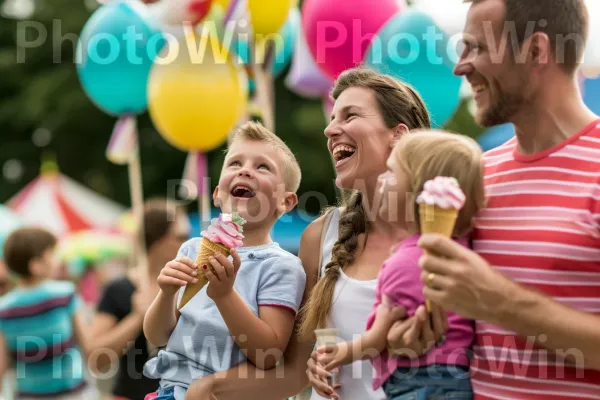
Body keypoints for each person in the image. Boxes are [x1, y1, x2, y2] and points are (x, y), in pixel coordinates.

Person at [184, 68, 448, 400]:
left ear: (398, 135)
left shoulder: (447, 232)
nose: (329, 129)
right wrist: (208, 388)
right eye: (333, 116)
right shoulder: (320, 236)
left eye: (350, 115)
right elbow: (292, 374)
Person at [417, 0, 600, 398]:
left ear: (536, 51)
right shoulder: (478, 174)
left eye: (477, 48)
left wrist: (500, 303)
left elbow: (494, 302)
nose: (460, 66)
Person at [313, 130, 485, 399]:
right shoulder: (462, 251)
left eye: (391, 171)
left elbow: (380, 335)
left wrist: (343, 352)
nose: (382, 177)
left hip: (417, 384)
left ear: (416, 191)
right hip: (459, 380)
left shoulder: (403, 263)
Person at [142, 121, 306, 400]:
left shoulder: (281, 266)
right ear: (217, 194)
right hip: (168, 390)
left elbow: (267, 354)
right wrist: (166, 294)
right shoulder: (192, 249)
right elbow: (157, 337)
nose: (245, 170)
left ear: (286, 202)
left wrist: (224, 295)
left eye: (262, 167)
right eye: (235, 163)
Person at [89, 198, 191, 400]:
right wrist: (136, 318)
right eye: (181, 236)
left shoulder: (194, 287)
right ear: (157, 240)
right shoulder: (119, 289)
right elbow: (96, 360)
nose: (189, 242)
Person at [0, 227, 93, 399]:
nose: (57, 261)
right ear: (35, 265)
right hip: (72, 393)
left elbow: (1, 365)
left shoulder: (4, 309)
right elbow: (88, 346)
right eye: (51, 254)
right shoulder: (64, 294)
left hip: (28, 395)